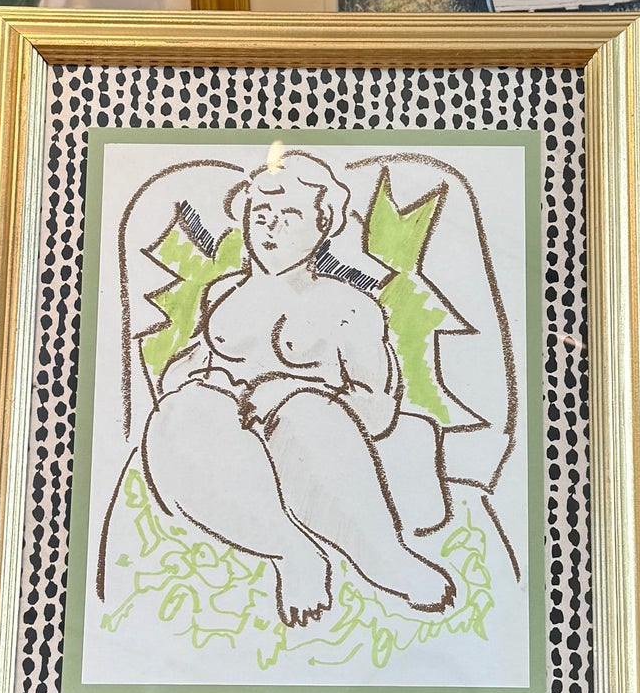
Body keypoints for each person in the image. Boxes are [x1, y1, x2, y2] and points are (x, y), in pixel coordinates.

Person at [141, 146, 456, 628]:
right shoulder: (223, 295)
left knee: (304, 410)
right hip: (234, 449)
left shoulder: (348, 306)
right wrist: (201, 378)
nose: (271, 228)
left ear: (323, 223)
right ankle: (294, 553)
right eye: (260, 215)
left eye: (289, 215)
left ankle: (387, 559)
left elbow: (377, 410)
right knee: (182, 409)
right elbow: (185, 367)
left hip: (313, 446)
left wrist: (284, 390)